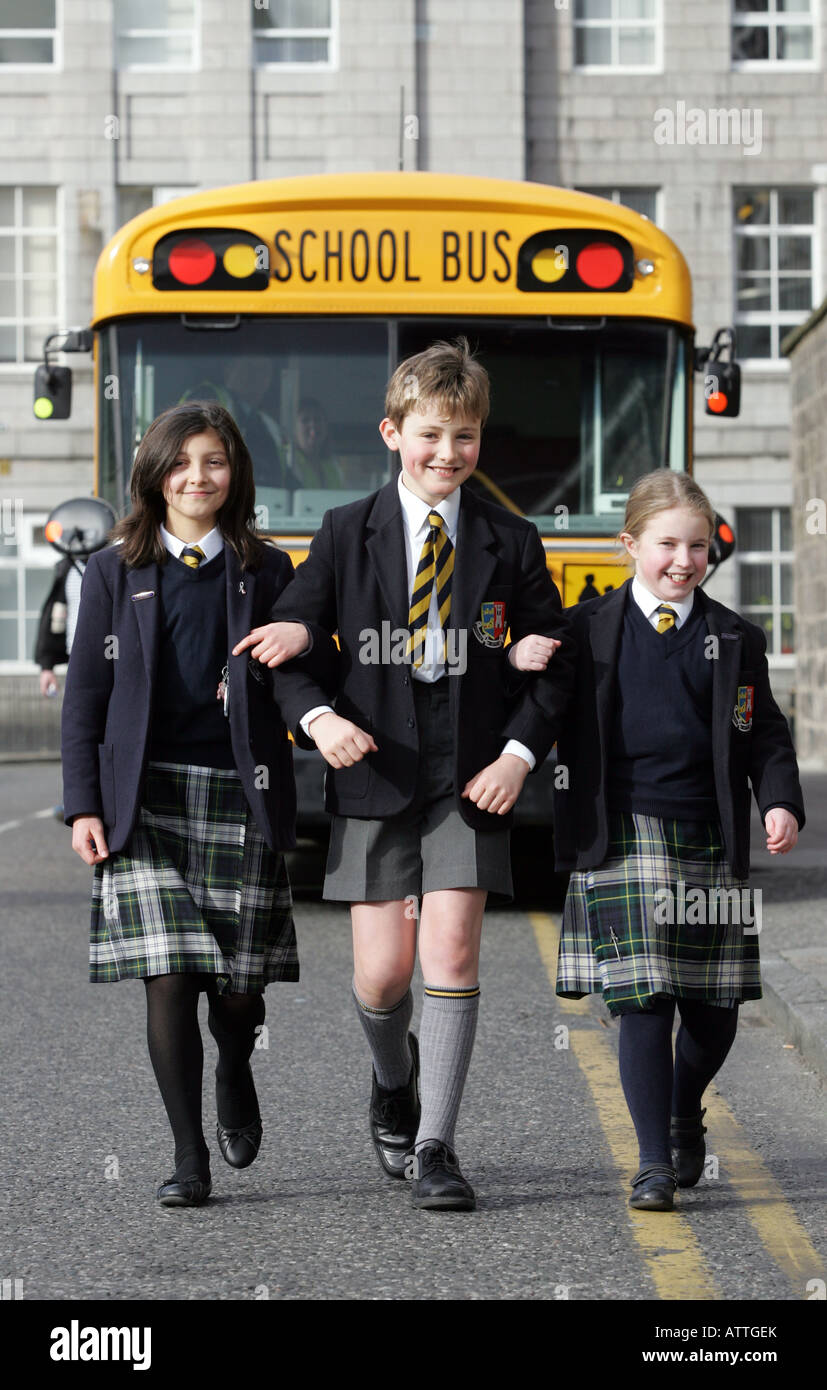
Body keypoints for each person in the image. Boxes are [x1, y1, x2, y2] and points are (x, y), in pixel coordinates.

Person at [234, 338, 576, 1210]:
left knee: (452, 947)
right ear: (392, 432)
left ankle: (435, 1147)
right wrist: (319, 719)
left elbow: (555, 664)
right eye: (429, 434)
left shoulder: (512, 539)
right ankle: (393, 1080)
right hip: (376, 763)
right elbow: (291, 650)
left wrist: (517, 754)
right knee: (383, 975)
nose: (446, 454)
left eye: (463, 438)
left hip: (471, 770)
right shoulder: (347, 532)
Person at [61, 401, 335, 1209]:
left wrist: (313, 650)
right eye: (181, 463)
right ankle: (188, 1158)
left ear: (234, 473)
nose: (197, 477)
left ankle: (236, 1059)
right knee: (170, 974)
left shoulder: (268, 568)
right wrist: (83, 804)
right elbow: (86, 695)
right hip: (141, 801)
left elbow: (304, 660)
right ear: (154, 473)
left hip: (237, 793)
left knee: (237, 988)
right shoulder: (114, 570)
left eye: (213, 461)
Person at [546, 470, 804, 1212]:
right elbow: (533, 704)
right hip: (624, 831)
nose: (682, 560)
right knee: (644, 994)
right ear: (628, 545)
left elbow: (765, 734)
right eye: (665, 544)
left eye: (696, 546)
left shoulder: (734, 638)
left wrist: (778, 801)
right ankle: (652, 1164)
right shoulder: (585, 629)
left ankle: (682, 1107)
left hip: (708, 835)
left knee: (714, 1011)